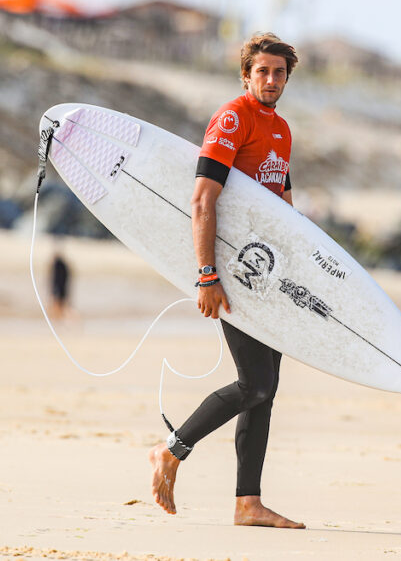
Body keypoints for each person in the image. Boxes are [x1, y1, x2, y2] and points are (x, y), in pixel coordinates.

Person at [148, 32, 305, 528]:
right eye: (263, 71)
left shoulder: (280, 130)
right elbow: (202, 200)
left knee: (266, 389)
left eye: (279, 72)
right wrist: (206, 274)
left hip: (267, 274)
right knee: (253, 382)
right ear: (246, 74)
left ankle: (247, 503)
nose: (271, 80)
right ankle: (171, 451)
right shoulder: (234, 117)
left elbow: (283, 208)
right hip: (232, 271)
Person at [50, 250, 72, 318]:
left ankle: (59, 318)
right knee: (61, 305)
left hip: (59, 288)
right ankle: (59, 318)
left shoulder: (58, 266)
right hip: (62, 288)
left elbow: (55, 279)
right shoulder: (63, 266)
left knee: (59, 305)